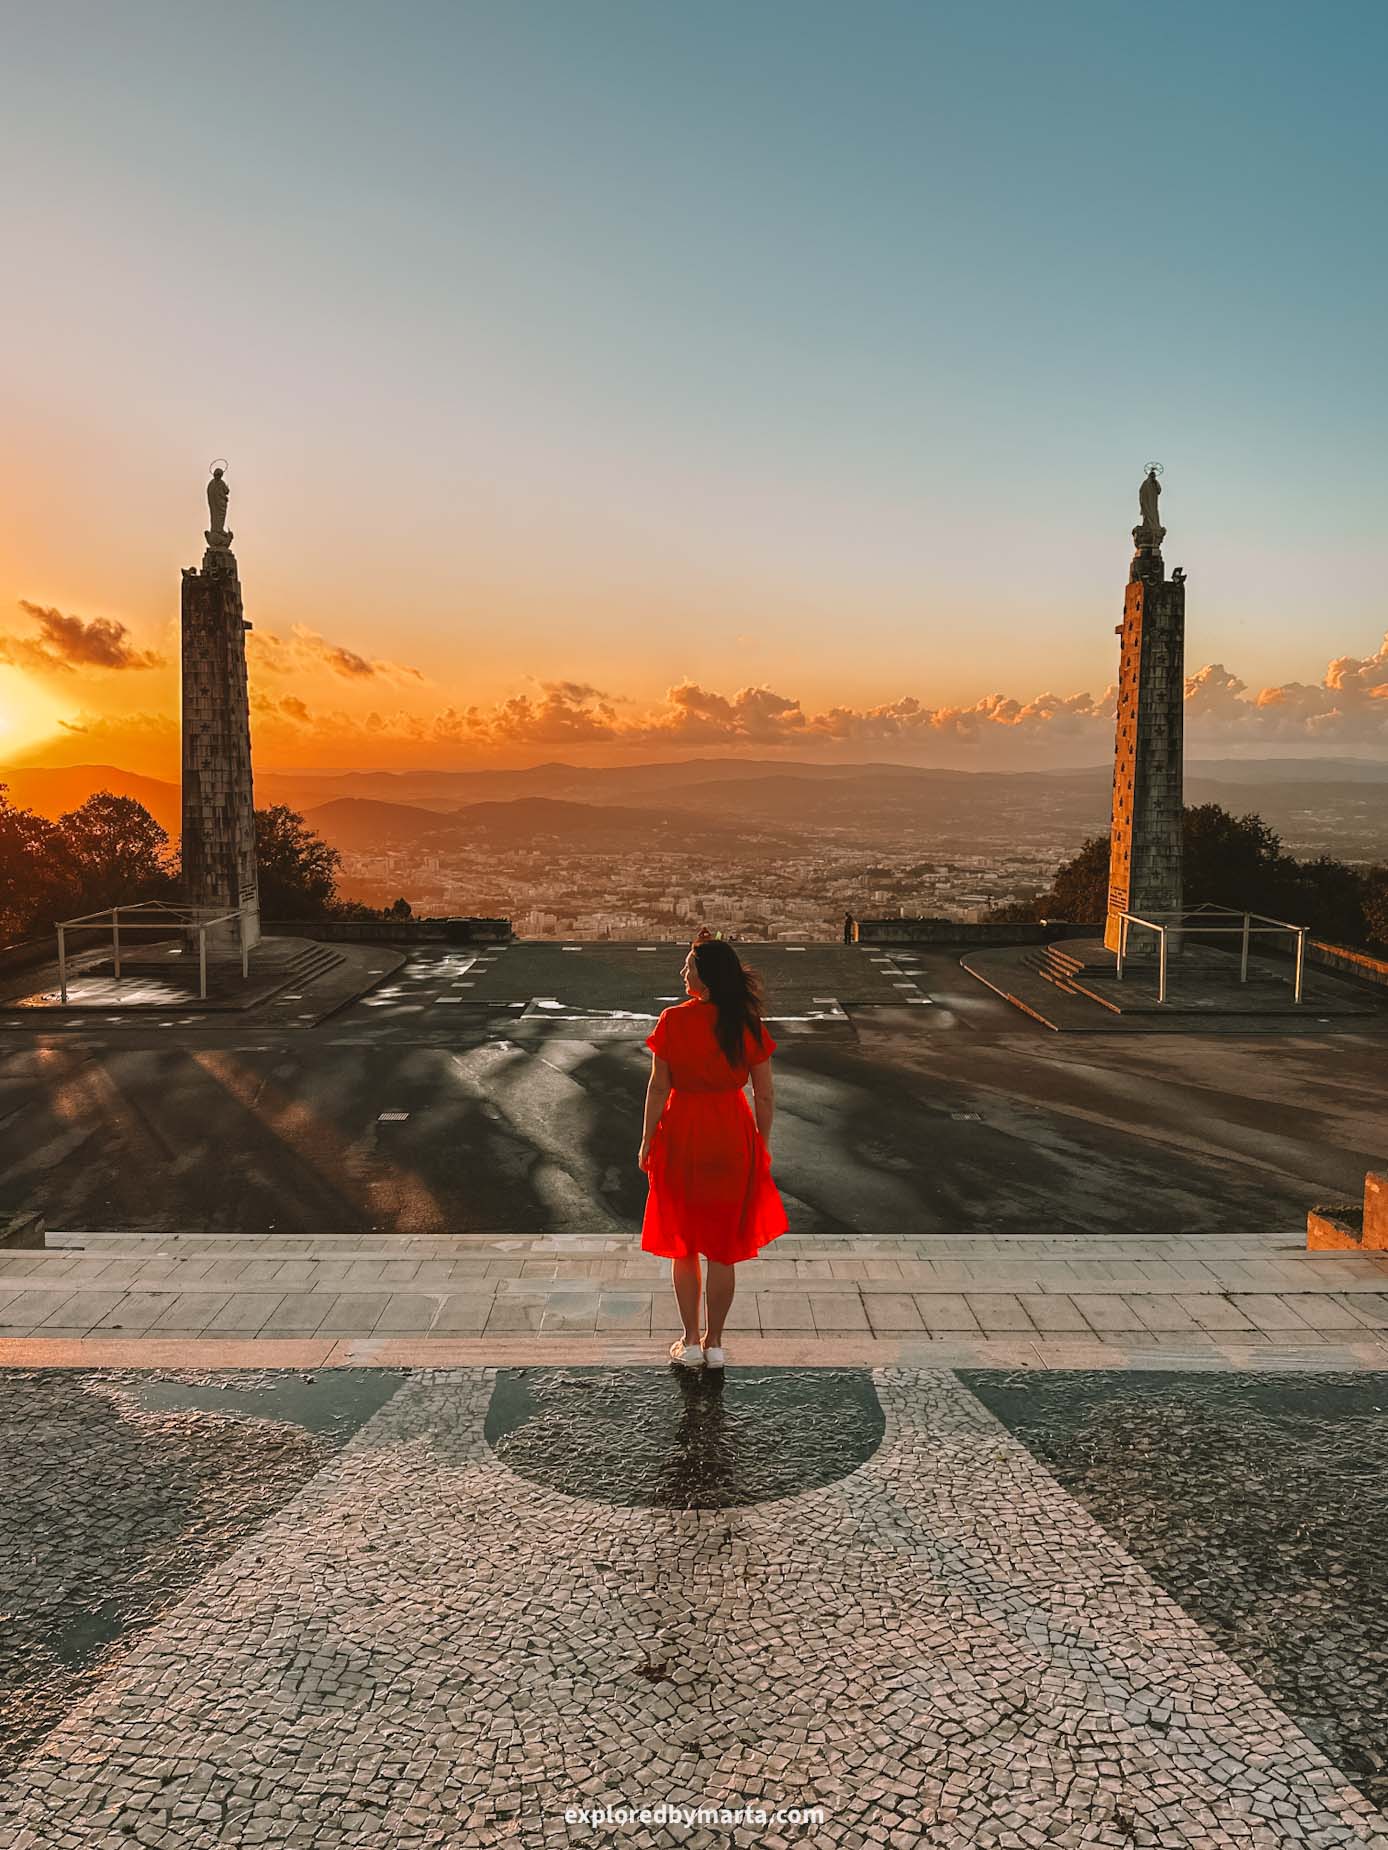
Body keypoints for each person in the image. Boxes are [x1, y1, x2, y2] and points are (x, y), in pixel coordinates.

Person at [638, 934, 788, 1369]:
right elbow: (765, 1095)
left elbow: (657, 1087)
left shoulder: (672, 1020)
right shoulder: (748, 1024)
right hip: (730, 1134)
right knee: (723, 1247)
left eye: (688, 966)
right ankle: (715, 1343)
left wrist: (647, 1139)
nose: (683, 973)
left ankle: (688, 1341)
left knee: (683, 1244)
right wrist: (762, 1142)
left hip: (682, 1133)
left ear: (704, 976)